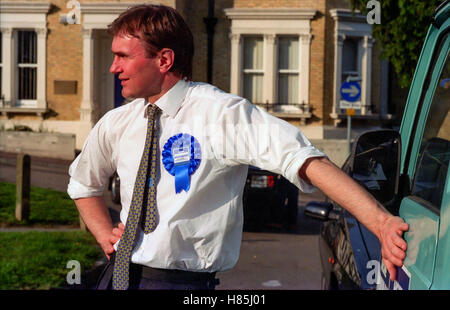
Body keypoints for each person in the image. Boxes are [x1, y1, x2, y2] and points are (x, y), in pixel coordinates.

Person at [67, 4, 409, 290]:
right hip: (117, 278)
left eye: (123, 56)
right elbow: (83, 183)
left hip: (183, 285)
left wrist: (379, 222)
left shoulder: (221, 114)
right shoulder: (118, 122)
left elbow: (303, 159)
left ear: (164, 59)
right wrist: (104, 235)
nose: (114, 68)